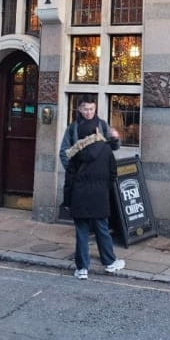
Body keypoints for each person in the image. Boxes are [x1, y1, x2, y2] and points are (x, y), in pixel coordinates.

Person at [63, 117, 125, 279]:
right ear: (96, 132)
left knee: (82, 233)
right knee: (102, 230)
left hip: (79, 196)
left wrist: (67, 201)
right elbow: (113, 173)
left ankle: (82, 269)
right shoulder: (105, 150)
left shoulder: (75, 153)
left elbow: (69, 180)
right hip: (99, 196)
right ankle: (110, 263)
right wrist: (105, 189)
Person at [59, 94, 120, 171]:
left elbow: (115, 147)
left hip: (99, 172)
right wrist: (71, 170)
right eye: (86, 109)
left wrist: (115, 139)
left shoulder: (103, 125)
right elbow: (63, 151)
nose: (89, 112)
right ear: (80, 109)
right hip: (80, 173)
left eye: (91, 109)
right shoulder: (72, 128)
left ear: (95, 108)